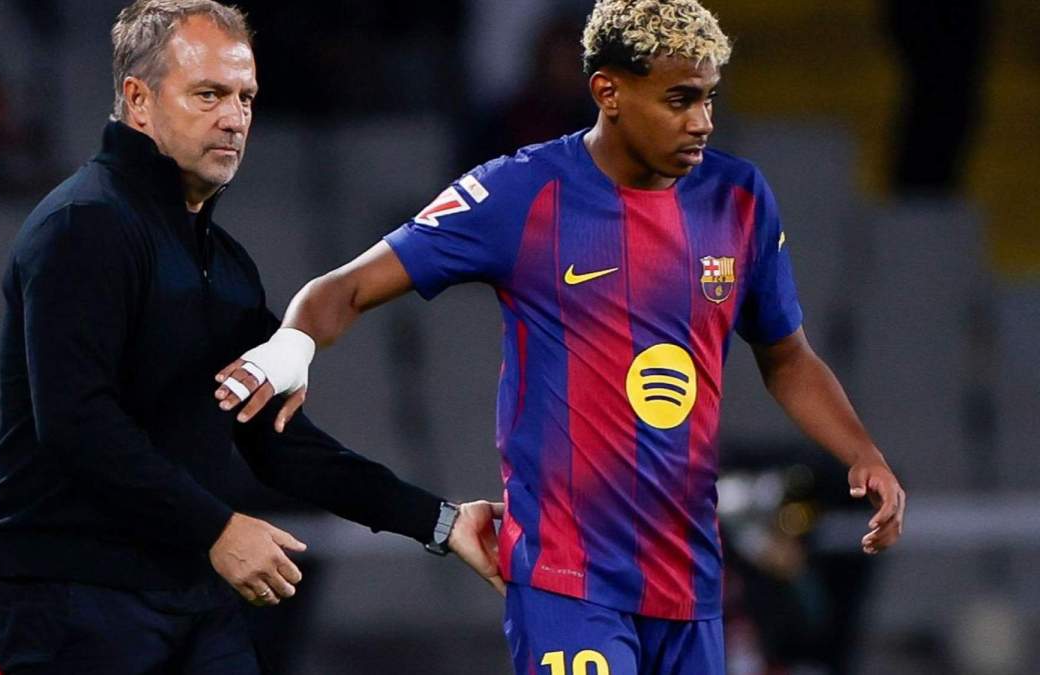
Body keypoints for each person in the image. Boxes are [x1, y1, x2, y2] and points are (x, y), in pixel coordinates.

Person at [216, 1, 908, 673]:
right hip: (567, 579)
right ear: (608, 90)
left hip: (691, 582)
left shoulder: (739, 197)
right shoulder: (519, 193)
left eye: (709, 98)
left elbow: (786, 356)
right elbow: (344, 288)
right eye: (679, 99)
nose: (702, 122)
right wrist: (291, 348)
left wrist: (861, 450)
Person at [0, 2, 499, 673]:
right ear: (137, 100)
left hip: (185, 585)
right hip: (72, 588)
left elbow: (273, 439)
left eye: (246, 97)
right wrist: (216, 527)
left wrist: (441, 521)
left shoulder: (222, 263)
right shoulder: (85, 227)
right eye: (209, 94)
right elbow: (75, 421)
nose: (235, 117)